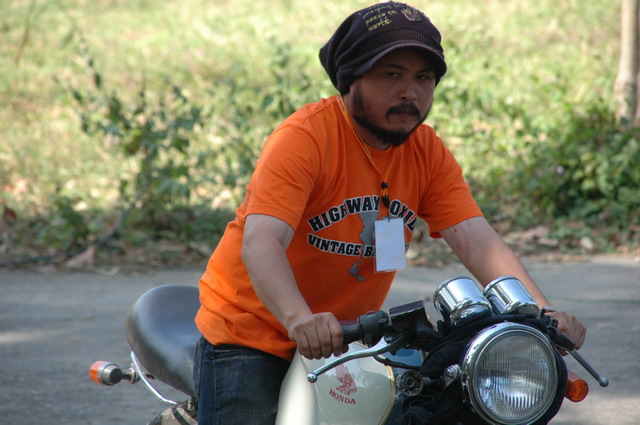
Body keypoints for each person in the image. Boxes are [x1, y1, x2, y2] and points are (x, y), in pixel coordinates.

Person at [193, 2, 587, 424]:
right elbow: (262, 241)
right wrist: (298, 319)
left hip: (351, 341)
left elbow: (476, 239)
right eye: (392, 75)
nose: (410, 92)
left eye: (423, 78)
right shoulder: (303, 139)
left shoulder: (426, 152)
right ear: (350, 78)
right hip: (252, 333)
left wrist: (540, 314)